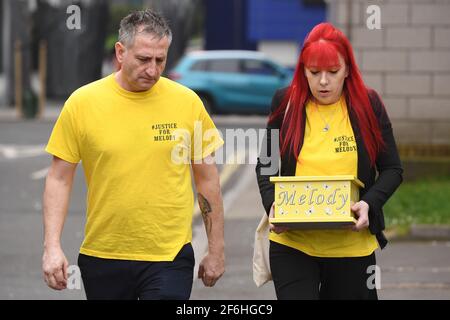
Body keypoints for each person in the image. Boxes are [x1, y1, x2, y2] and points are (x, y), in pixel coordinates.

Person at [42, 9, 225, 300]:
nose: (152, 70)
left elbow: (207, 179)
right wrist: (52, 246)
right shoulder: (82, 103)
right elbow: (59, 178)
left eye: (160, 60)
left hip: (169, 256)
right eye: (143, 59)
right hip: (103, 255)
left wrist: (216, 249)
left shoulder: (188, 103)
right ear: (120, 51)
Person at [256, 22, 403, 300]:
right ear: (303, 71)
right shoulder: (284, 102)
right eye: (314, 72)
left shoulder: (368, 105)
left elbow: (392, 169)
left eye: (333, 72)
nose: (323, 81)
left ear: (347, 70)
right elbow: (266, 164)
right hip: (293, 245)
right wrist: (273, 204)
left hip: (352, 249)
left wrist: (369, 203)